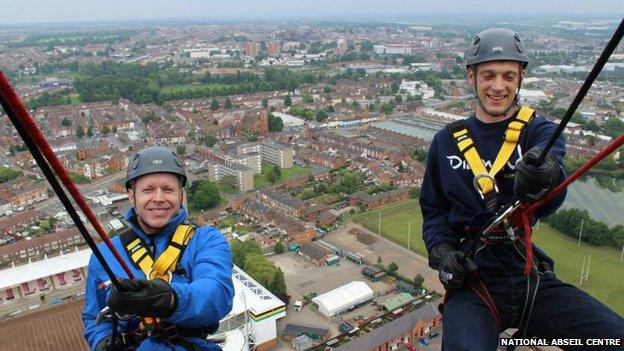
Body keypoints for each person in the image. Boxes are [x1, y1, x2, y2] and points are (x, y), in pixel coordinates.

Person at [420, 28, 624, 350]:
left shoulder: (537, 131)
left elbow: (551, 177)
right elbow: (434, 211)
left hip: (529, 275)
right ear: (471, 75)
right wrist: (442, 251)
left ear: (521, 77)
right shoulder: (445, 142)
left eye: (508, 76)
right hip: (474, 280)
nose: (498, 86)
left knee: (614, 339)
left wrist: (542, 174)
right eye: (488, 75)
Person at [82, 146, 234, 350]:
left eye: (168, 189)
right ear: (131, 196)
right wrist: (103, 341)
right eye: (148, 190)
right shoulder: (106, 254)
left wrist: (169, 299)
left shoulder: (206, 240)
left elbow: (217, 294)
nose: (159, 198)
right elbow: (95, 316)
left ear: (181, 195)